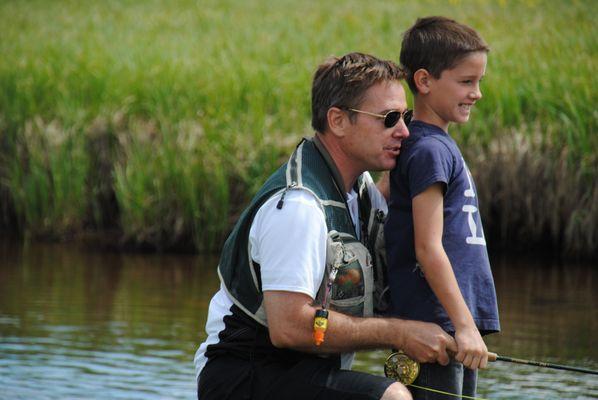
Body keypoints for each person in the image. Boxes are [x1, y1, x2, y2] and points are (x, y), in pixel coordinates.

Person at [194, 52, 458, 400]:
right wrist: (400, 333)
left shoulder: (361, 193)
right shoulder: (299, 208)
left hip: (306, 372)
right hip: (242, 374)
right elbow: (289, 328)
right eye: (389, 118)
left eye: (406, 116)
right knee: (392, 398)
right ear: (337, 120)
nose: (404, 131)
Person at [385, 17, 501, 399]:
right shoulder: (429, 149)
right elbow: (427, 247)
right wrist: (464, 325)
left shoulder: (431, 145)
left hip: (449, 320)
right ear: (424, 81)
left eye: (479, 81)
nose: (477, 93)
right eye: (466, 82)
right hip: (437, 324)